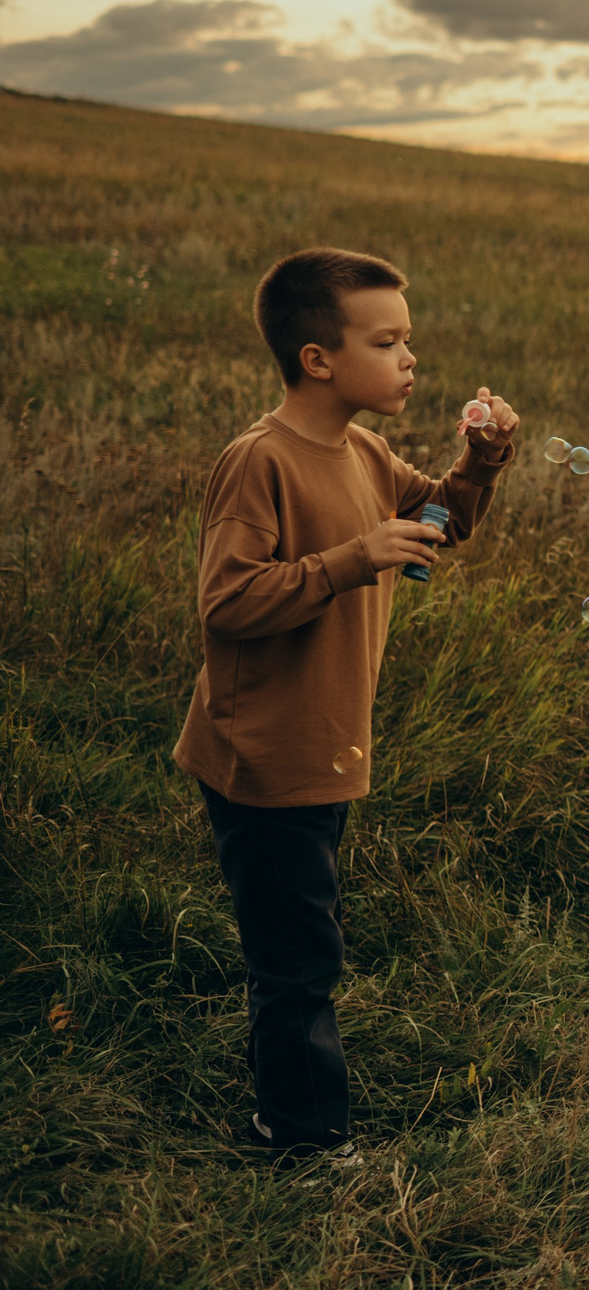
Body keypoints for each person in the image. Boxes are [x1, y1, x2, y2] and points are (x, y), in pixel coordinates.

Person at [174, 247, 518, 1164]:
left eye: (409, 339)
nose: (411, 358)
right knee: (297, 961)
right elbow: (228, 600)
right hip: (264, 753)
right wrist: (350, 560)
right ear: (318, 358)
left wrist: (481, 459)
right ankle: (300, 1138)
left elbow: (445, 516)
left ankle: (295, 1112)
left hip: (324, 741)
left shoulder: (361, 448)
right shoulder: (261, 464)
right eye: (389, 340)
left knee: (300, 938)